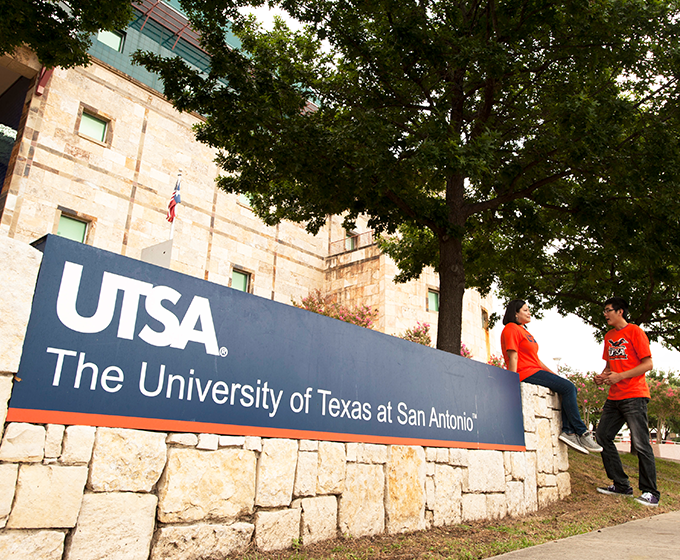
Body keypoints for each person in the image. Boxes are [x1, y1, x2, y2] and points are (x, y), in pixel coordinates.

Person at [500, 299, 602, 454]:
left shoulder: (525, 331)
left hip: (535, 369)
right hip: (525, 373)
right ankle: (581, 432)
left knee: (567, 387)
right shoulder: (511, 328)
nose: (529, 312)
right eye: (525, 310)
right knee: (569, 388)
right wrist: (511, 381)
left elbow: (536, 360)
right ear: (515, 313)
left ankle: (568, 431)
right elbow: (512, 356)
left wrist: (554, 375)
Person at [594, 297, 659, 507]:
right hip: (614, 397)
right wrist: (602, 376)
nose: (605, 314)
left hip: (634, 395)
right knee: (603, 436)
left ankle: (650, 492)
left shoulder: (635, 332)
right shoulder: (609, 336)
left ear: (620, 311)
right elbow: (609, 364)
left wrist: (621, 376)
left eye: (608, 310)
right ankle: (621, 485)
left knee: (641, 444)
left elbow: (648, 364)